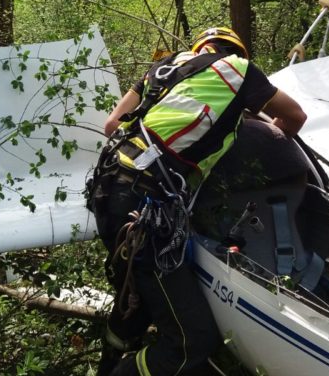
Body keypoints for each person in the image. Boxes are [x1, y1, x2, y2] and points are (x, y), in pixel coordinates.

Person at [88, 27, 306, 376]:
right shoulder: (238, 70)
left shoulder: (165, 67)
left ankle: (112, 355)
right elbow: (295, 117)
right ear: (237, 52)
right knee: (192, 341)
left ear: (200, 49)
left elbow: (112, 124)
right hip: (145, 205)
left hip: (109, 188)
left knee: (143, 296)